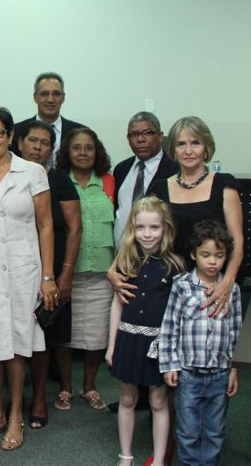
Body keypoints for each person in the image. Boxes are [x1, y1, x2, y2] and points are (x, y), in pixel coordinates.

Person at [0, 108, 56, 452]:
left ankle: (16, 414)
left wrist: (48, 276)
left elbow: (45, 225)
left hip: (23, 270)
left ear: (10, 135)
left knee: (17, 343)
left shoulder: (32, 172)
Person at [112, 117, 243, 320]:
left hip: (211, 287)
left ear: (207, 148)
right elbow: (136, 233)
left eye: (195, 143)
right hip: (166, 286)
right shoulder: (159, 188)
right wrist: (113, 270)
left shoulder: (224, 186)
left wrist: (227, 282)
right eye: (181, 144)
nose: (188, 151)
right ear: (173, 149)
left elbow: (237, 241)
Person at [105, 197, 184, 466]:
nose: (147, 234)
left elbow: (178, 314)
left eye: (154, 227)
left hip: (159, 344)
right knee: (127, 399)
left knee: (159, 401)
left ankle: (160, 459)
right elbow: (117, 304)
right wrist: (111, 345)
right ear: (132, 229)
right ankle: (125, 455)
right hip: (128, 339)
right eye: (140, 227)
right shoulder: (125, 260)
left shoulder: (175, 266)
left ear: (166, 229)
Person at [160, 221, 242, 466]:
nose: (213, 261)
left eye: (219, 255)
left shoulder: (232, 290)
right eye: (206, 255)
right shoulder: (182, 285)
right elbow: (169, 327)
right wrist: (170, 365)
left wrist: (234, 369)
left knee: (215, 432)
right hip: (188, 375)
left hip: (220, 374)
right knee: (188, 432)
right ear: (194, 254)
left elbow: (236, 331)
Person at [17, 121, 82, 429]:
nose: (38, 146)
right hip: (15, 268)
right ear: (20, 143)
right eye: (32, 140)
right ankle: (15, 398)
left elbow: (73, 228)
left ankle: (40, 397)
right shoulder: (11, 178)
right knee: (14, 337)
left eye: (45, 142)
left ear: (52, 150)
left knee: (43, 336)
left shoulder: (60, 181)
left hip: (50, 271)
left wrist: (64, 273)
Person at [54, 127, 114, 414]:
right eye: (76, 147)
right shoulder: (59, 182)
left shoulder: (109, 182)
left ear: (96, 152)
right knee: (65, 333)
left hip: (103, 271)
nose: (82, 152)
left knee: (97, 335)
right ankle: (65, 386)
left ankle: (89, 385)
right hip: (68, 271)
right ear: (67, 152)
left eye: (88, 147)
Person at [113, 112, 179, 245]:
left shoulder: (175, 171)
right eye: (134, 134)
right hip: (121, 256)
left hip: (160, 255)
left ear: (160, 136)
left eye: (147, 132)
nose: (140, 139)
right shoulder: (121, 169)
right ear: (128, 138)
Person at [11, 72, 86, 168]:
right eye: (44, 94)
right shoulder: (16, 131)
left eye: (56, 94)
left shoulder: (79, 132)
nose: (50, 99)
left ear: (63, 98)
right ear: (35, 97)